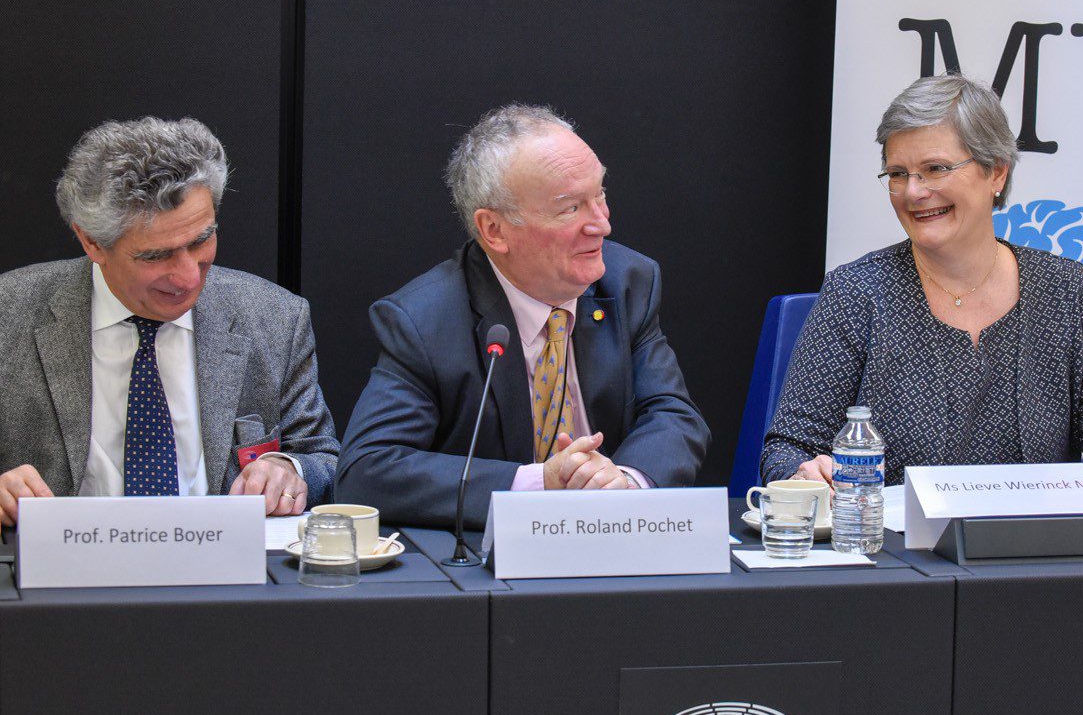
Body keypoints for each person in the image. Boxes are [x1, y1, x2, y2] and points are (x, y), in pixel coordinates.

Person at [760, 74, 1083, 503]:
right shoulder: (856, 293)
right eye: (897, 174)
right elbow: (788, 449)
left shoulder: (1068, 291)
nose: (913, 192)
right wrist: (805, 474)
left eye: (935, 169)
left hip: (1034, 547)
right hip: (894, 547)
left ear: (996, 173)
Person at [336, 103, 710, 529]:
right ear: (494, 230)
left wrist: (623, 482)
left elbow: (673, 414)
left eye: (600, 195)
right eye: (570, 208)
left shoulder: (628, 283)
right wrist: (538, 484)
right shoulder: (426, 320)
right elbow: (367, 470)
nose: (602, 225)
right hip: (490, 560)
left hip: (612, 536)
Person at [0, 117, 339, 525]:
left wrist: (289, 470)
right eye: (156, 256)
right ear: (92, 242)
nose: (189, 277)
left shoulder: (273, 317)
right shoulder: (9, 313)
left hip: (220, 559)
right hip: (63, 560)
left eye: (201, 241)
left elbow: (322, 456)